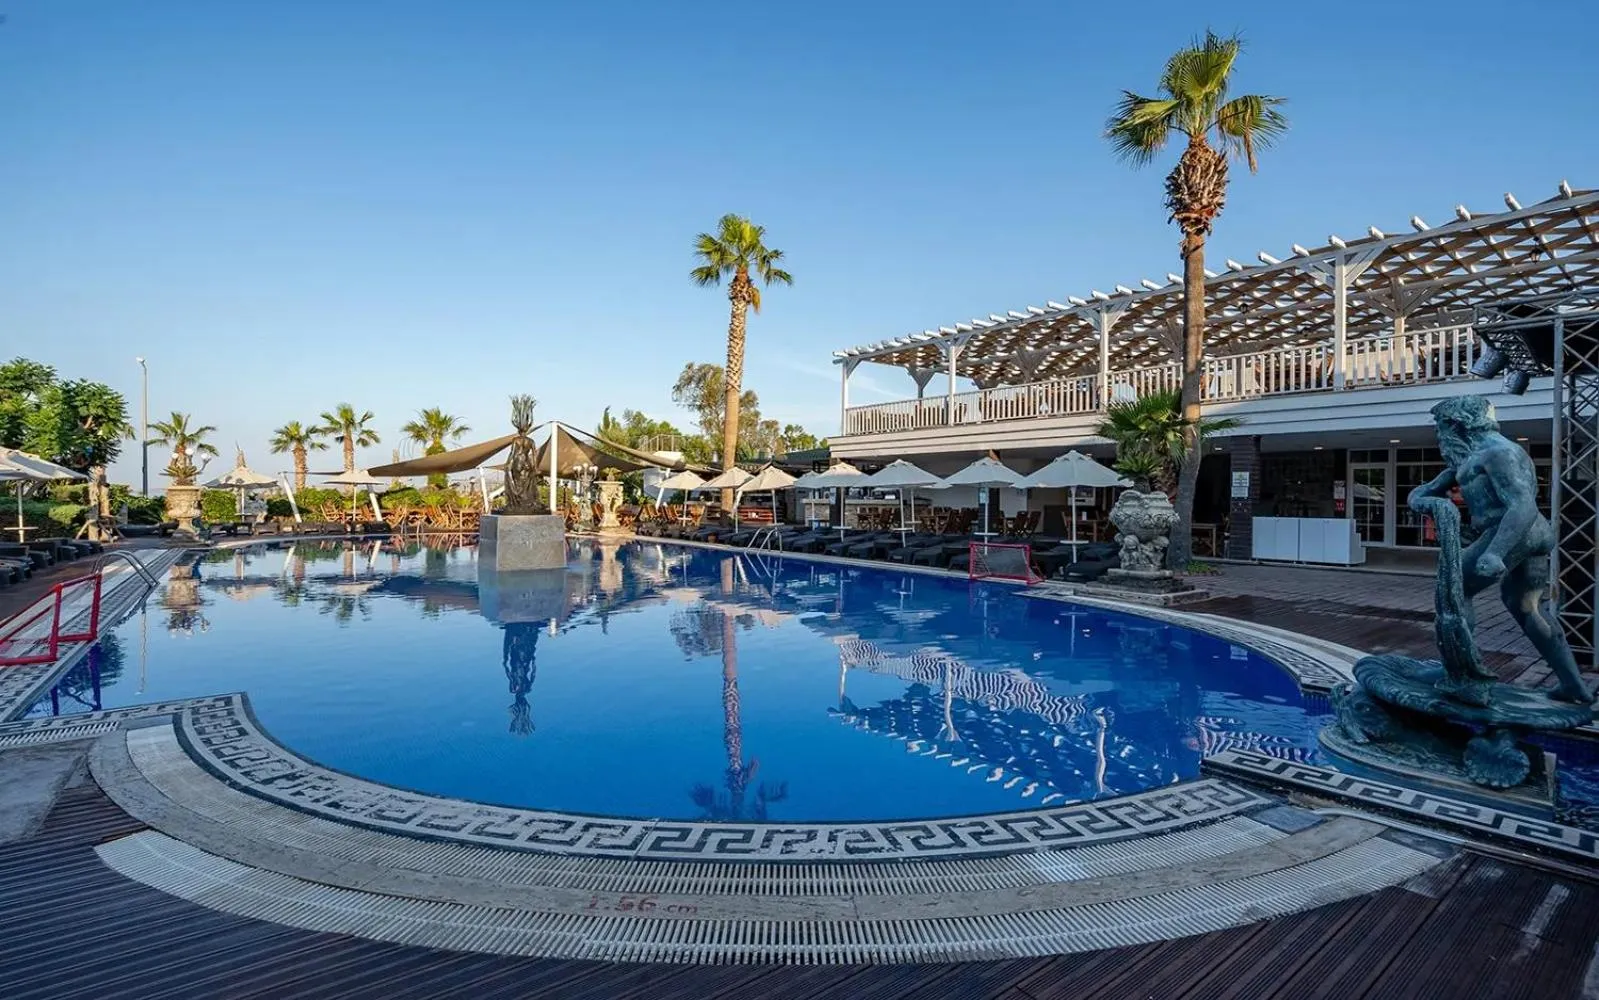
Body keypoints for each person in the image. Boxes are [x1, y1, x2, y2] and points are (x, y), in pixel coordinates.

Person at [1410, 395, 1592, 703]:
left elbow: (1522, 505)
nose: (1438, 434)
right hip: (1532, 534)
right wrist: (1425, 499)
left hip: (1512, 531)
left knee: (1454, 590)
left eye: (1440, 427)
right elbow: (1422, 492)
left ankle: (1464, 677)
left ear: (1457, 424)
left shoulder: (1498, 453)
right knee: (1526, 607)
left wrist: (1495, 551)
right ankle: (1573, 684)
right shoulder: (1471, 458)